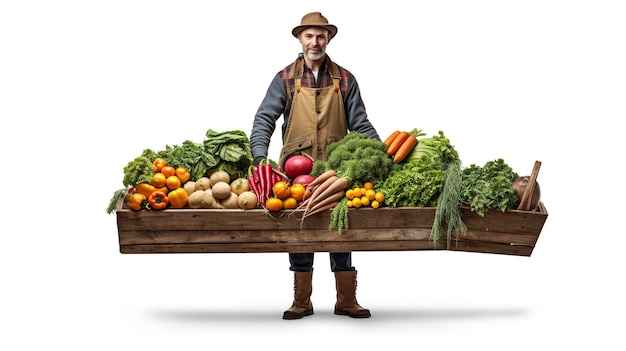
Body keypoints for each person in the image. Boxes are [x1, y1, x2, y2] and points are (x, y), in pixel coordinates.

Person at [250, 12, 380, 320]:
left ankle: (346, 300)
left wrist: (382, 154)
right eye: (309, 36)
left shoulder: (345, 79)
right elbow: (264, 119)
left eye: (320, 36)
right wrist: (259, 157)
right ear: (299, 39)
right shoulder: (285, 78)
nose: (315, 42)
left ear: (329, 39)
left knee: (341, 226)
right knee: (300, 227)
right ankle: (302, 301)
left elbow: (360, 123)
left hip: (336, 169)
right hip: (294, 170)